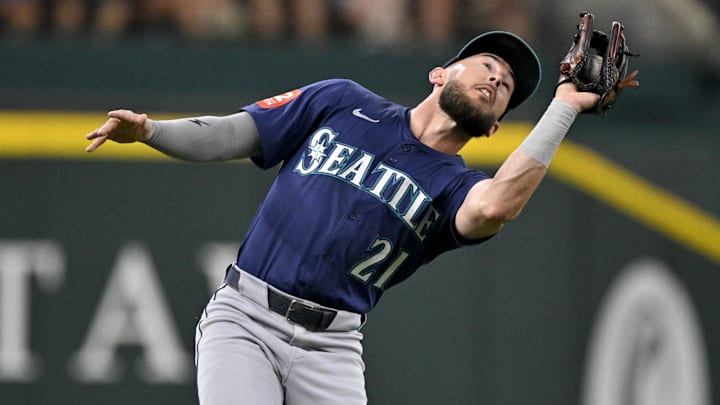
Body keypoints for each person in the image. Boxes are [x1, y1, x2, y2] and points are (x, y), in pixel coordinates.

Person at [85, 31, 600, 404]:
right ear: (440, 74)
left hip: (332, 346)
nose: (496, 77)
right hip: (246, 316)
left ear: (493, 130)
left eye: (507, 85)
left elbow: (496, 206)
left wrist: (563, 108)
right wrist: (153, 132)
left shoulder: (458, 186)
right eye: (488, 63)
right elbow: (230, 135)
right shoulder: (343, 102)